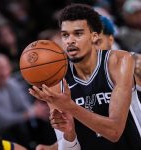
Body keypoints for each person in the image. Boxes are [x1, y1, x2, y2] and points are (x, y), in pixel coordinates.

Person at [29, 3, 141, 150]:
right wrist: (69, 135)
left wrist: (69, 106)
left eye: (78, 33)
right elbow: (68, 147)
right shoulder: (56, 79)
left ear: (94, 36)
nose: (70, 40)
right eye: (65, 35)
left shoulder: (118, 61)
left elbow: (114, 131)